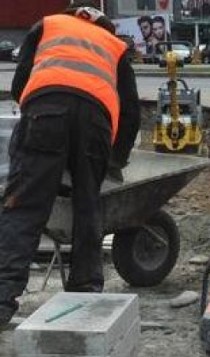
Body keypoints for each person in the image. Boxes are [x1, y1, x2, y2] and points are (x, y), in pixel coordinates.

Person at [0, 0, 140, 325]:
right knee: (88, 206)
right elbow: (131, 112)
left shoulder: (48, 25)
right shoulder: (115, 46)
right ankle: (85, 292)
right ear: (103, 22)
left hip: (44, 112)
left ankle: (2, 299)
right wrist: (115, 160)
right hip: (96, 124)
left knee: (23, 208)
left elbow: (20, 85)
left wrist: (40, 124)